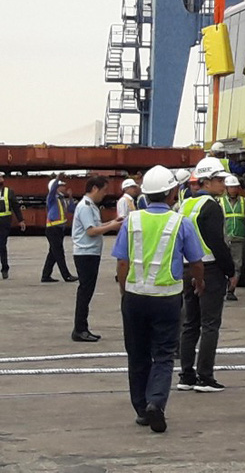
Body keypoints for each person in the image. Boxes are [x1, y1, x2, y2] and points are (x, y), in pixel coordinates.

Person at [113, 165, 205, 434]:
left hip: (134, 297)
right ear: (172, 193)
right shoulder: (181, 222)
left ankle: (142, 409)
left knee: (137, 354)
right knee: (164, 355)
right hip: (166, 298)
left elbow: (122, 261)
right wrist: (199, 283)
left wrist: (124, 290)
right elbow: (196, 262)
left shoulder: (132, 220)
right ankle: (156, 403)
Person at [177, 157, 237, 392]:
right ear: (207, 182)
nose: (223, 184)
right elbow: (217, 243)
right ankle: (205, 377)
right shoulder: (211, 206)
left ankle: (186, 375)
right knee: (210, 324)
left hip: (186, 268)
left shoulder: (186, 205)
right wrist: (230, 270)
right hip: (209, 269)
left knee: (190, 323)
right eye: (219, 180)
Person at [71, 176, 124, 342]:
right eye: (103, 190)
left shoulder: (90, 206)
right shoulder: (85, 206)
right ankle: (79, 329)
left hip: (90, 252)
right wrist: (113, 226)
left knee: (87, 291)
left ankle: (82, 327)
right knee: (85, 291)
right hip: (85, 253)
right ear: (94, 188)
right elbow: (91, 231)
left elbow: (97, 226)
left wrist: (112, 222)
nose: (104, 194)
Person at [220, 175, 245, 300]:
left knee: (237, 266)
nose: (234, 190)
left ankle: (231, 290)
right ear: (227, 188)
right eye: (231, 187)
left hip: (238, 239)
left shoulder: (243, 202)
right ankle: (222, 288)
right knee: (222, 265)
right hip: (225, 238)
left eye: (235, 187)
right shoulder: (221, 202)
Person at [42, 176, 76, 283]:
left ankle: (45, 276)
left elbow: (72, 210)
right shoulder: (51, 198)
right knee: (59, 253)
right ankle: (66, 276)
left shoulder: (62, 199)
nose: (64, 187)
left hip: (59, 229)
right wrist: (57, 178)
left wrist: (70, 197)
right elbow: (52, 190)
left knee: (53, 254)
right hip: (53, 229)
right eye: (61, 185)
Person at [0, 172, 27, 279]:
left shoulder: (8, 192)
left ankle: (5, 268)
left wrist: (21, 220)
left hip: (4, 223)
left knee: (2, 246)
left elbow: (16, 207)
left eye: (1, 177)